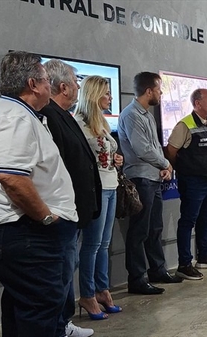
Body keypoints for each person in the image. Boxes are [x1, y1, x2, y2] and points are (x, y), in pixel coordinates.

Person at [0, 51, 78, 337]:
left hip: (21, 231)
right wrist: (47, 218)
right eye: (47, 80)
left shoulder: (16, 113)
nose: (51, 86)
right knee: (41, 309)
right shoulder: (14, 117)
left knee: (23, 305)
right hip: (25, 232)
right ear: (33, 84)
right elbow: (11, 178)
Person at [41, 59, 99, 336]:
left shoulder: (63, 114)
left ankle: (63, 323)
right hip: (62, 210)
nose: (78, 87)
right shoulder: (50, 116)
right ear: (63, 87)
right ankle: (59, 326)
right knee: (62, 270)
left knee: (67, 266)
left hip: (74, 209)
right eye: (76, 82)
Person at [119, 72, 181, 295]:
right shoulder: (131, 115)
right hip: (140, 178)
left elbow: (153, 146)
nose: (161, 93)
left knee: (155, 228)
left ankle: (157, 269)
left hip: (153, 177)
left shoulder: (147, 114)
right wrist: (166, 163)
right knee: (139, 231)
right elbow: (142, 149)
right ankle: (137, 278)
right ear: (148, 91)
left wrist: (163, 167)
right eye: (158, 89)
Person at [75, 76, 124, 319]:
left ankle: (102, 290)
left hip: (111, 186)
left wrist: (118, 159)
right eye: (107, 94)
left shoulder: (102, 122)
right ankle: (87, 294)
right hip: (95, 191)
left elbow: (109, 151)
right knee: (92, 245)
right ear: (94, 96)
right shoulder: (78, 124)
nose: (111, 98)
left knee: (104, 245)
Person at [165, 88, 207, 280]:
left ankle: (204, 256)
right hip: (192, 181)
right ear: (198, 103)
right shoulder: (185, 124)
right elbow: (172, 150)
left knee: (204, 219)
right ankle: (184, 264)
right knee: (188, 220)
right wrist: (181, 168)